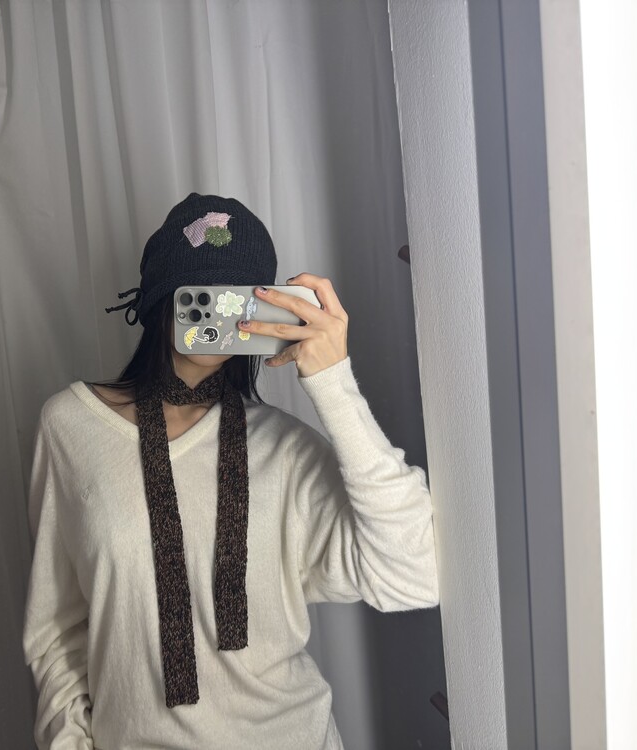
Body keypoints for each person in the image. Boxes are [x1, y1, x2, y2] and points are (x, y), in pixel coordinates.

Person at [22, 193, 439, 749]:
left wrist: (333, 383)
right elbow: (56, 630)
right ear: (161, 296)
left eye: (239, 297)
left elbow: (417, 574)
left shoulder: (286, 450)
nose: (221, 312)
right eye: (201, 292)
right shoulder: (71, 427)